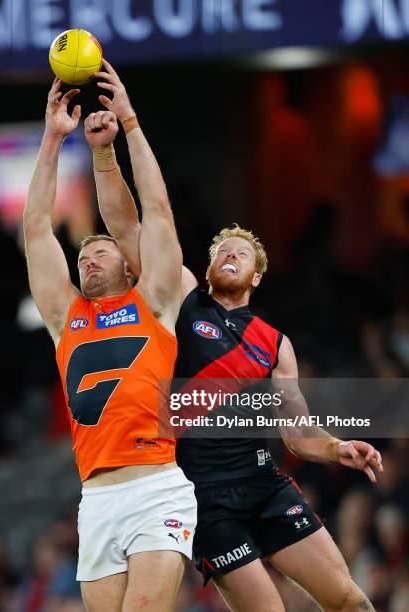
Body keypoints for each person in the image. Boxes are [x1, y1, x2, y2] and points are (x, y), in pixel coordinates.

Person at [91, 59, 384, 611]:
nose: (229, 252)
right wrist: (109, 149)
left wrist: (337, 447)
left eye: (241, 252)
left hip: (264, 483)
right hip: (203, 498)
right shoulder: (182, 299)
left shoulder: (275, 343)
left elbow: (296, 432)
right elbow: (128, 227)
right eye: (221, 249)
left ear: (257, 275)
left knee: (348, 599)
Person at [23, 77, 197, 612]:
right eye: (82, 256)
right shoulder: (65, 317)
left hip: (156, 490)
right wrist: (53, 139)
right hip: (95, 498)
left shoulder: (157, 301)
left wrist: (130, 124)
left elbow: (158, 213)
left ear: (129, 263)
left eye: (100, 250)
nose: (87, 258)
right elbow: (34, 231)